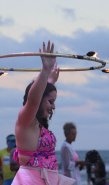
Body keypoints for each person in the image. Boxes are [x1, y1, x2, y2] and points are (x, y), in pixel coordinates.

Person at [12, 41, 75, 185]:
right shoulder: (26, 120)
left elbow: (40, 95)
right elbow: (34, 100)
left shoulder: (37, 124)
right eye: (50, 102)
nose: (53, 107)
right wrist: (45, 70)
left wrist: (50, 79)